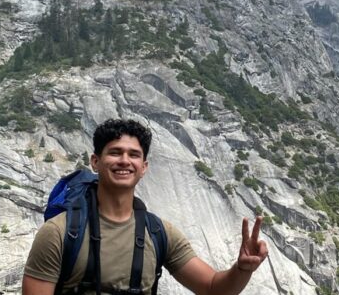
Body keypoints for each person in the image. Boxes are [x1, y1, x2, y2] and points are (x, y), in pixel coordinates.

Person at [22, 119, 269, 294]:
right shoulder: (59, 233)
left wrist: (241, 269)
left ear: (144, 167)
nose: (124, 161)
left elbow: (213, 288)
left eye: (134, 155)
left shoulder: (159, 233)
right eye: (115, 152)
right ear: (95, 162)